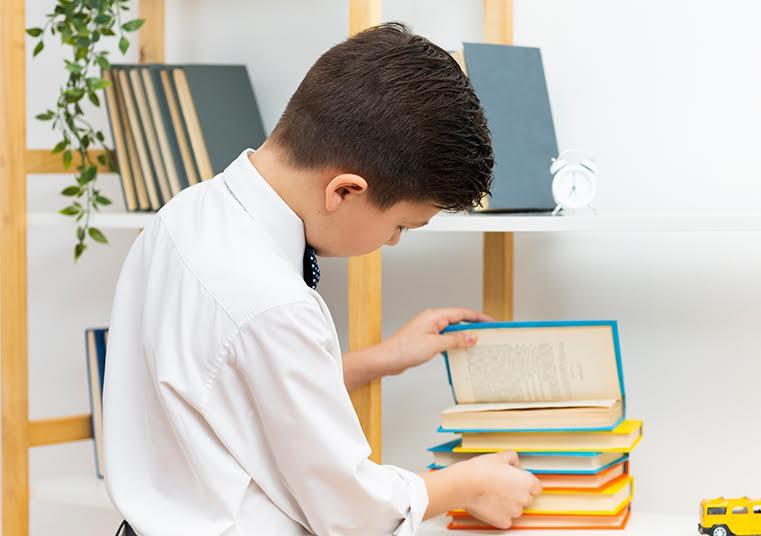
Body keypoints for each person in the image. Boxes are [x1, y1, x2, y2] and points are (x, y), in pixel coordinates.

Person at [103, 22, 541, 536]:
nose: (395, 240)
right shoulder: (273, 303)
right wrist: (465, 485)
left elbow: (233, 392)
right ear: (344, 191)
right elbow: (353, 514)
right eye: (401, 225)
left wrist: (384, 358)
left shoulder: (184, 215)